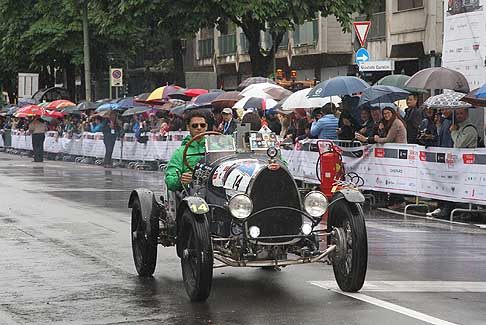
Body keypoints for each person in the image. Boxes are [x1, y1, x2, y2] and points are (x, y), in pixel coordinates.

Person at [165, 111, 209, 192]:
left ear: (206, 126)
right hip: (190, 194)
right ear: (188, 127)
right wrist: (180, 180)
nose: (199, 128)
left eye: (202, 125)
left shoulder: (216, 148)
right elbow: (170, 181)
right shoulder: (180, 152)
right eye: (195, 125)